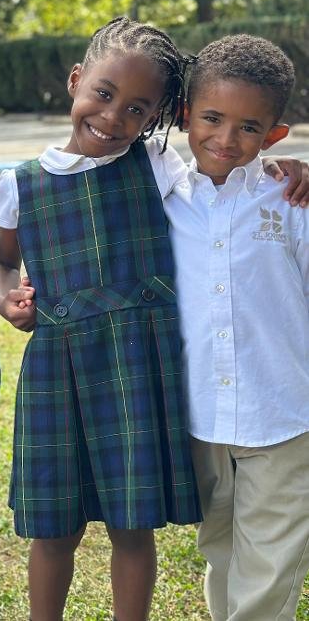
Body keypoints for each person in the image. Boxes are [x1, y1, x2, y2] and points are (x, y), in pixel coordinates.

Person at [0, 17, 201, 621]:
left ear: (156, 117)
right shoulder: (21, 184)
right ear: (76, 80)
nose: (112, 117)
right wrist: (7, 298)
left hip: (138, 368)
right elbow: (2, 263)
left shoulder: (157, 165)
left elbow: (222, 200)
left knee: (133, 526)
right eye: (103, 94)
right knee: (55, 529)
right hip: (57, 372)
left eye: (137, 109)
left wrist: (285, 169)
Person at [167, 35, 308, 620]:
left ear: (274, 135)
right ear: (185, 115)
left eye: (249, 127)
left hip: (283, 416)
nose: (226, 138)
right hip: (200, 416)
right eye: (212, 118)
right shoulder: (161, 195)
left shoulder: (291, 200)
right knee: (219, 547)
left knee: (269, 564)